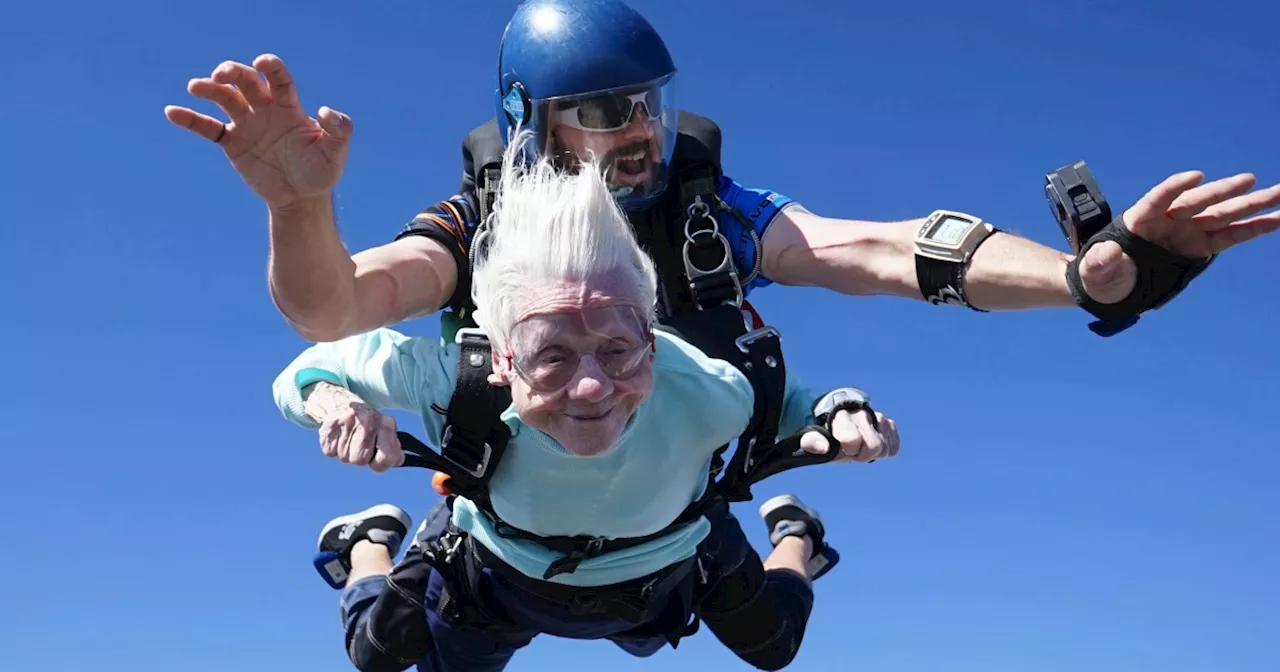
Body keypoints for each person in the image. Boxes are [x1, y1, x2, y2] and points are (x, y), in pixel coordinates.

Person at [270, 138, 901, 671]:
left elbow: (790, 402)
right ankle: (367, 542)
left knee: (774, 645)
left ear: (652, 343)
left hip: (666, 565)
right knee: (375, 650)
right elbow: (308, 367)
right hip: (499, 570)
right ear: (503, 359)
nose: (593, 387)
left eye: (619, 349)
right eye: (553, 357)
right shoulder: (453, 379)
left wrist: (843, 410)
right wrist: (335, 404)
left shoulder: (710, 386)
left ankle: (797, 538)